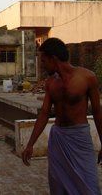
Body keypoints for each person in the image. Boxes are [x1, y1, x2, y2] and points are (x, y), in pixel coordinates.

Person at [21, 38, 102, 194]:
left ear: (53, 58)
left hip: (79, 138)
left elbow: (98, 112)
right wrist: (30, 144)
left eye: (44, 61)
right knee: (58, 185)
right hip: (58, 138)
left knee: (88, 185)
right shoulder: (50, 83)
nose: (42, 65)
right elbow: (44, 114)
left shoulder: (87, 77)